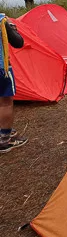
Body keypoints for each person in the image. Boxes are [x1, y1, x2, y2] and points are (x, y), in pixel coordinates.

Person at [0, 15, 28, 153]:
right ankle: (5, 139)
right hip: (1, 68)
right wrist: (11, 27)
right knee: (5, 102)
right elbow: (18, 42)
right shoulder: (2, 20)